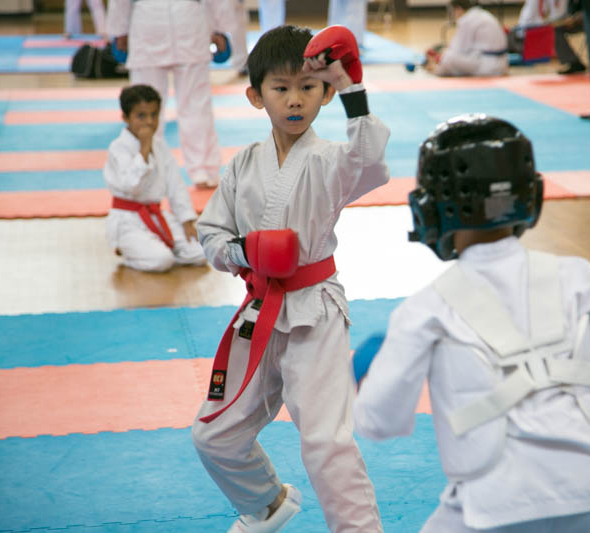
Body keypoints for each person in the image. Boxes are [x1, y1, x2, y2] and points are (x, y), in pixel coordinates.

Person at [353, 114, 590, 532]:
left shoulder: (426, 309)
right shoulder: (575, 276)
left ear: (431, 206)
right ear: (529, 195)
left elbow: (379, 422)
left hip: (495, 506)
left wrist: (362, 377)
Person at [190, 25, 389, 533]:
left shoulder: (329, 161)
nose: (295, 100)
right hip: (260, 311)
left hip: (314, 312)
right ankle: (266, 505)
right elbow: (211, 232)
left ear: (323, 92)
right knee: (215, 436)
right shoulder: (243, 166)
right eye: (281, 89)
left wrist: (353, 88)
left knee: (326, 441)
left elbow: (368, 161)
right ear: (257, 96)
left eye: (307, 88)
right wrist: (241, 252)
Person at [106, 0, 234, 189]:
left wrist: (118, 31)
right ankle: (204, 170)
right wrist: (220, 27)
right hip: (188, 20)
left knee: (144, 104)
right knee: (196, 105)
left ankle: (144, 169)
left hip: (148, 21)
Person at [104, 84, 207, 273]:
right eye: (141, 116)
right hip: (128, 221)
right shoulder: (118, 148)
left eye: (154, 115)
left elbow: (175, 184)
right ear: (126, 118)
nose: (149, 122)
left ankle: (155, 248)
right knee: (161, 261)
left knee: (201, 253)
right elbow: (131, 186)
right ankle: (130, 254)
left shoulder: (160, 146)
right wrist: (144, 149)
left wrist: (186, 220)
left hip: (157, 216)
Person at [426, 0, 509, 77]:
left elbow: (457, 50)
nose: (453, 15)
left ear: (458, 9)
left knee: (449, 58)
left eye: (452, 12)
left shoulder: (466, 20)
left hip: (487, 66)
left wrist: (439, 61)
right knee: (452, 57)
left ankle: (436, 70)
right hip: (501, 63)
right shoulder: (482, 14)